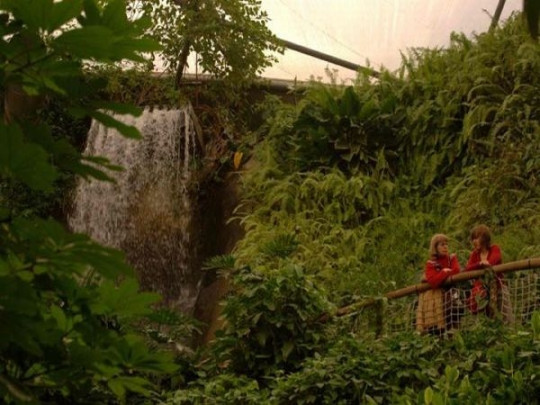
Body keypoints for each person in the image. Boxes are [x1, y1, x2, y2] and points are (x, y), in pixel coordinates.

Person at [465, 224, 512, 320]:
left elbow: (494, 260)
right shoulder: (475, 254)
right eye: (473, 238)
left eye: (477, 238)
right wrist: (480, 264)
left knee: (505, 316)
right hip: (483, 292)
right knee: (488, 318)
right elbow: (468, 268)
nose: (474, 241)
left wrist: (485, 264)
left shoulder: (494, 249)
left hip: (499, 288)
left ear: (484, 239)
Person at [416, 234, 461, 334]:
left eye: (446, 244)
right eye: (442, 244)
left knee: (454, 319)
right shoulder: (431, 264)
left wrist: (441, 274)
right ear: (435, 248)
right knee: (437, 328)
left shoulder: (451, 258)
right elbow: (433, 281)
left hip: (451, 296)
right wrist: (444, 272)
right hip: (437, 299)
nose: (445, 247)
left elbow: (456, 270)